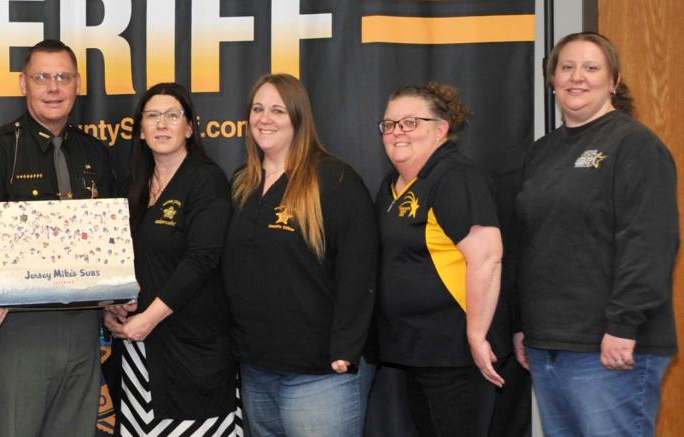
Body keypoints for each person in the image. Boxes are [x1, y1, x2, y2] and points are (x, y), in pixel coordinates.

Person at [515, 32, 677, 436]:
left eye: (591, 68)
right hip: (548, 344)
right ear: (552, 79)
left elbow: (649, 242)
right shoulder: (541, 152)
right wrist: (523, 324)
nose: (577, 77)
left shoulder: (634, 145)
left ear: (614, 81)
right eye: (566, 67)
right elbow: (531, 245)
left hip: (609, 349)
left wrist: (623, 326)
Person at [0, 39, 117, 437]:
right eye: (42, 77)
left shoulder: (95, 153)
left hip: (82, 328)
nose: (53, 87)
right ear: (22, 83)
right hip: (16, 329)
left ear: (77, 84)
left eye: (63, 77)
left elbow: (112, 238)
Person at [222, 74, 379, 437]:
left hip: (322, 372)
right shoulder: (242, 183)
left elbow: (360, 271)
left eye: (278, 109)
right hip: (257, 369)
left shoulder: (335, 180)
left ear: (299, 117)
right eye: (258, 109)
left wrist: (346, 348)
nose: (265, 118)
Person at [103, 82, 239, 434]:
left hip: (191, 349)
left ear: (190, 128)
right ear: (141, 131)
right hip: (138, 353)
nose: (162, 124)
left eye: (172, 116)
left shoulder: (206, 180)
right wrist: (113, 305)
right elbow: (115, 261)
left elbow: (202, 260)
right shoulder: (131, 187)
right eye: (152, 116)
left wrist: (148, 319)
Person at [375, 82, 506, 437]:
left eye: (410, 122)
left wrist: (477, 336)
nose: (397, 132)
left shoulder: (454, 176)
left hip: (455, 355)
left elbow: (488, 256)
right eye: (389, 124)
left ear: (442, 128)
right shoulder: (393, 183)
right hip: (417, 352)